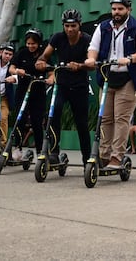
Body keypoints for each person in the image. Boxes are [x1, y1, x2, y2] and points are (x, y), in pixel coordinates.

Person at [84, 0, 136, 170]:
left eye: (120, 9)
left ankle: (117, 157)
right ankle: (104, 155)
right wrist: (91, 59)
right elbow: (93, 47)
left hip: (129, 77)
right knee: (105, 118)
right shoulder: (103, 27)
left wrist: (130, 58)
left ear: (128, 9)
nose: (116, 12)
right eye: (114, 9)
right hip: (108, 77)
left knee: (121, 118)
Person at [35, 9, 93, 165]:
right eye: (67, 26)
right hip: (61, 85)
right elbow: (44, 55)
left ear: (79, 25)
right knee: (54, 114)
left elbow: (92, 64)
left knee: (81, 124)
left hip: (80, 86)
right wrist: (41, 62)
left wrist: (80, 66)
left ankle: (87, 158)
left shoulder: (87, 39)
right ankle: (54, 152)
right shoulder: (58, 38)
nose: (70, 29)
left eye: (73, 26)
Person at [9, 28, 47, 157]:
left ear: (39, 43)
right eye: (28, 43)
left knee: (37, 122)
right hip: (22, 91)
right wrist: (17, 71)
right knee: (20, 119)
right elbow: (11, 68)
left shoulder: (44, 54)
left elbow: (52, 71)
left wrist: (50, 79)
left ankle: (40, 151)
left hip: (38, 92)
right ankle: (18, 148)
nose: (31, 46)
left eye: (33, 43)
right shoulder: (21, 53)